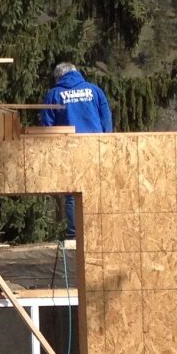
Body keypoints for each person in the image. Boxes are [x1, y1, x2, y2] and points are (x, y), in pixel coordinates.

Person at [40, 62, 114, 240]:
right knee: (97, 189)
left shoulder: (54, 94)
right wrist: (107, 142)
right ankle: (99, 232)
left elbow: (47, 125)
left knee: (73, 193)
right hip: (95, 147)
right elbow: (106, 118)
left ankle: (75, 235)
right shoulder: (94, 90)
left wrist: (52, 152)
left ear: (59, 77)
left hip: (68, 150)